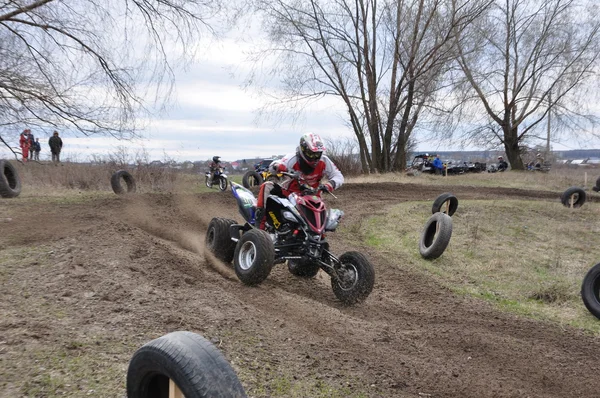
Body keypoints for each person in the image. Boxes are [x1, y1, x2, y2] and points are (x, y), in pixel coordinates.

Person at [255, 132, 344, 229]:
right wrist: (278, 166)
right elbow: (272, 167)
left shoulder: (324, 161)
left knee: (322, 226)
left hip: (313, 197)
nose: (315, 158)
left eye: (317, 154)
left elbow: (338, 176)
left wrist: (329, 185)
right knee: (267, 185)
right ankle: (260, 224)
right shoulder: (292, 159)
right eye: (311, 154)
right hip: (288, 195)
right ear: (303, 150)